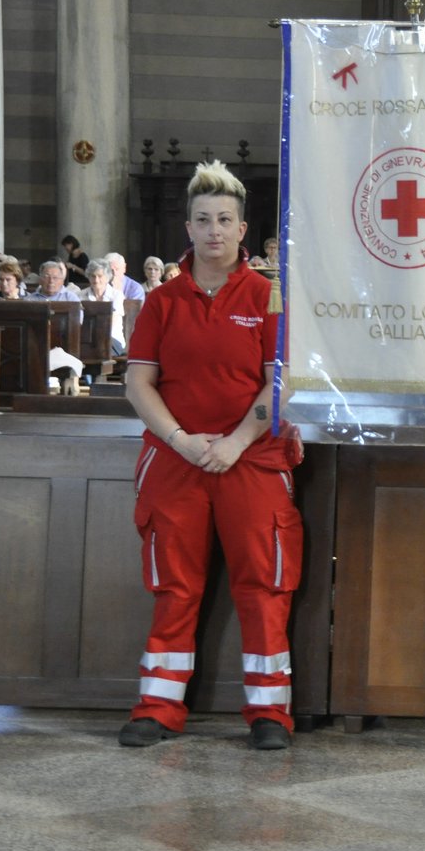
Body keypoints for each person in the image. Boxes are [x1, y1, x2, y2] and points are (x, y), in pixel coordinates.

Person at [118, 160, 303, 751]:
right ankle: (157, 707)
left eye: (225, 220)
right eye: (203, 220)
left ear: (243, 229)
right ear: (189, 227)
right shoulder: (163, 301)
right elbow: (138, 383)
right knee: (175, 586)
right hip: (177, 460)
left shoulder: (270, 296)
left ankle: (270, 714)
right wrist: (180, 440)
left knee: (263, 585)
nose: (214, 231)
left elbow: (281, 382)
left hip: (251, 459)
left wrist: (235, 442)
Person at [80, 257, 127, 358]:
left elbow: (112, 321)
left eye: (100, 276)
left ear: (107, 277)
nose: (96, 280)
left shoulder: (117, 295)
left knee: (96, 349)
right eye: (93, 276)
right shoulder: (80, 295)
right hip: (87, 341)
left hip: (112, 341)